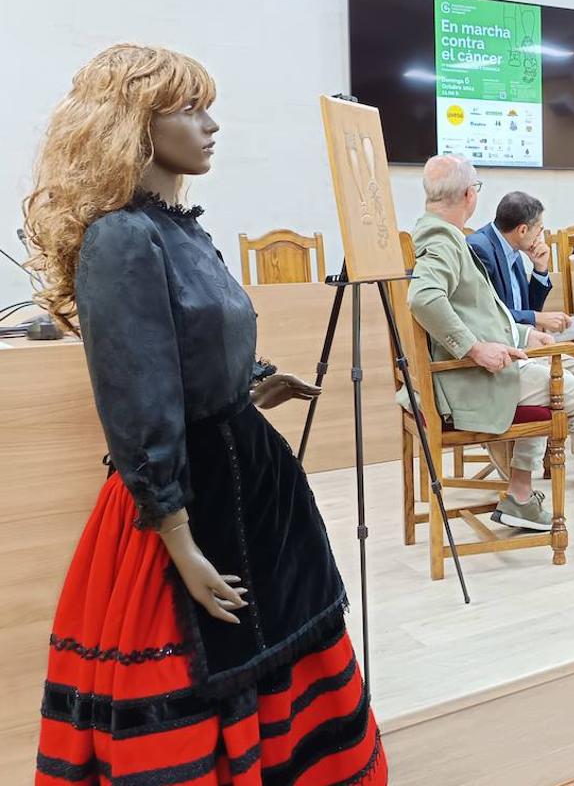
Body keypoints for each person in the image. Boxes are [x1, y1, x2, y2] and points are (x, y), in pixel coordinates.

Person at [24, 45, 385, 783]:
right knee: (208, 659)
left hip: (246, 476)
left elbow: (191, 345)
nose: (212, 124)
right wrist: (177, 539)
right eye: (189, 108)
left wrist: (253, 378)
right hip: (188, 496)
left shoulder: (177, 226)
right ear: (132, 121)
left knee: (280, 639)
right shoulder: (122, 237)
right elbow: (136, 398)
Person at [407, 155, 574, 544]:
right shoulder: (442, 237)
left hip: (481, 367)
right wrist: (475, 349)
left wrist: (525, 337)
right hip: (469, 379)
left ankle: (520, 494)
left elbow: (479, 311)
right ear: (467, 194)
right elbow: (424, 299)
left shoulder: (445, 233)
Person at [466, 191, 571, 334]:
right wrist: (536, 317)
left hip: (521, 340)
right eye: (539, 230)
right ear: (522, 230)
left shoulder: (513, 248)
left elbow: (529, 309)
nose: (539, 237)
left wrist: (540, 268)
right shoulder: (480, 249)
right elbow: (487, 313)